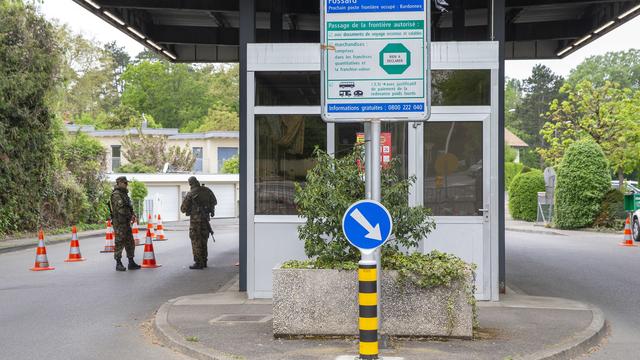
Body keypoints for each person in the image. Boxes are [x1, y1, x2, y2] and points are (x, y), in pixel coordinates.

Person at [180, 176, 217, 269]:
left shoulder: (191, 193)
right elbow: (214, 202)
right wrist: (211, 210)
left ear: (190, 183)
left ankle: (198, 262)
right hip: (205, 221)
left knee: (196, 241)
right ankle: (204, 261)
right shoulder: (207, 190)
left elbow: (183, 209)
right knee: (204, 241)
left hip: (195, 222)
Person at [110, 176, 141, 272]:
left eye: (126, 183)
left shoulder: (124, 194)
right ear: (119, 183)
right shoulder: (116, 194)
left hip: (126, 222)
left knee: (130, 242)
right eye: (125, 183)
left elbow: (128, 207)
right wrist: (129, 215)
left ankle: (131, 262)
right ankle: (118, 263)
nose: (126, 185)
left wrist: (133, 214)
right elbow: (120, 209)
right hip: (119, 223)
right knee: (119, 242)